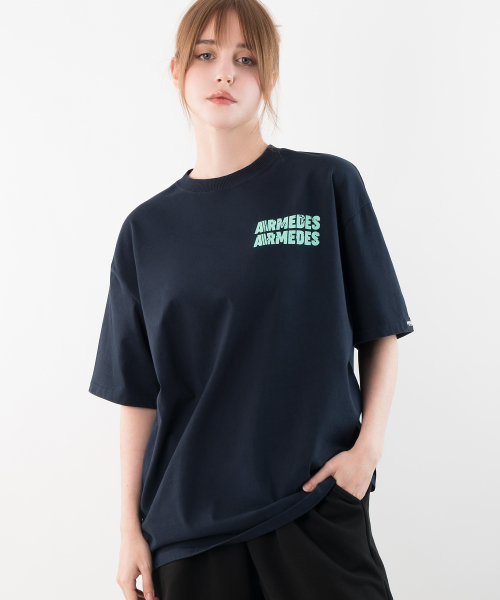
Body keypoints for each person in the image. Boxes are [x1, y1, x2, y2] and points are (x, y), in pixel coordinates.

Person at [88, 1, 414, 598]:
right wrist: (129, 528)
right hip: (189, 535)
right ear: (177, 71)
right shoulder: (146, 232)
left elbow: (381, 330)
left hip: (314, 508)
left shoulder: (326, 185)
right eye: (206, 55)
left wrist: (366, 454)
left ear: (269, 76)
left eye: (246, 59)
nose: (224, 73)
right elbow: (138, 394)